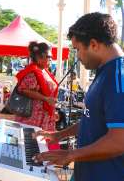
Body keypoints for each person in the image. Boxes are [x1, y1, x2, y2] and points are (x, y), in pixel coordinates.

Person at [35, 12, 124, 181]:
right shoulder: (104, 70)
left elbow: (119, 141)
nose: (77, 57)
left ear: (93, 44)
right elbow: (92, 118)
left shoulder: (119, 79)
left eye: (77, 50)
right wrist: (59, 135)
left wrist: (71, 154)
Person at [14, 42, 58, 134]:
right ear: (39, 58)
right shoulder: (32, 73)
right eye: (48, 56)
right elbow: (23, 90)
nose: (51, 59)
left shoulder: (44, 71)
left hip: (45, 117)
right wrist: (45, 98)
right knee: (33, 144)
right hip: (34, 118)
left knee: (44, 144)